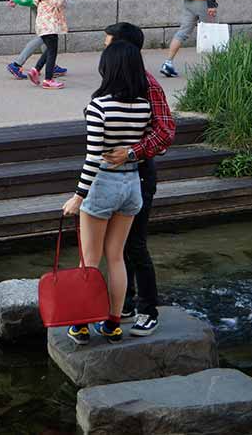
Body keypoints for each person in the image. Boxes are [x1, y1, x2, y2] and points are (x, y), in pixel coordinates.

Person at [61, 41, 152, 345]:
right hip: (131, 185)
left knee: (89, 259)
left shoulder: (99, 106)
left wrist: (78, 196)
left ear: (108, 68)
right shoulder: (143, 105)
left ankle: (81, 325)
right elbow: (142, 144)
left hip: (102, 185)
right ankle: (113, 324)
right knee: (116, 257)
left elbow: (93, 157)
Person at [101, 22, 176, 337]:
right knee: (117, 245)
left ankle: (148, 309)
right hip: (113, 173)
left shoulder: (147, 84)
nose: (104, 50)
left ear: (123, 48)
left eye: (108, 44)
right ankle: (126, 305)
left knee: (135, 244)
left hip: (140, 173)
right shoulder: (114, 79)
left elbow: (167, 130)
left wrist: (133, 152)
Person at [27, 0, 67, 89]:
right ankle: (48, 79)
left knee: (50, 49)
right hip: (48, 25)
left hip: (46, 25)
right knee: (52, 51)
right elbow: (58, 2)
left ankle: (36, 70)